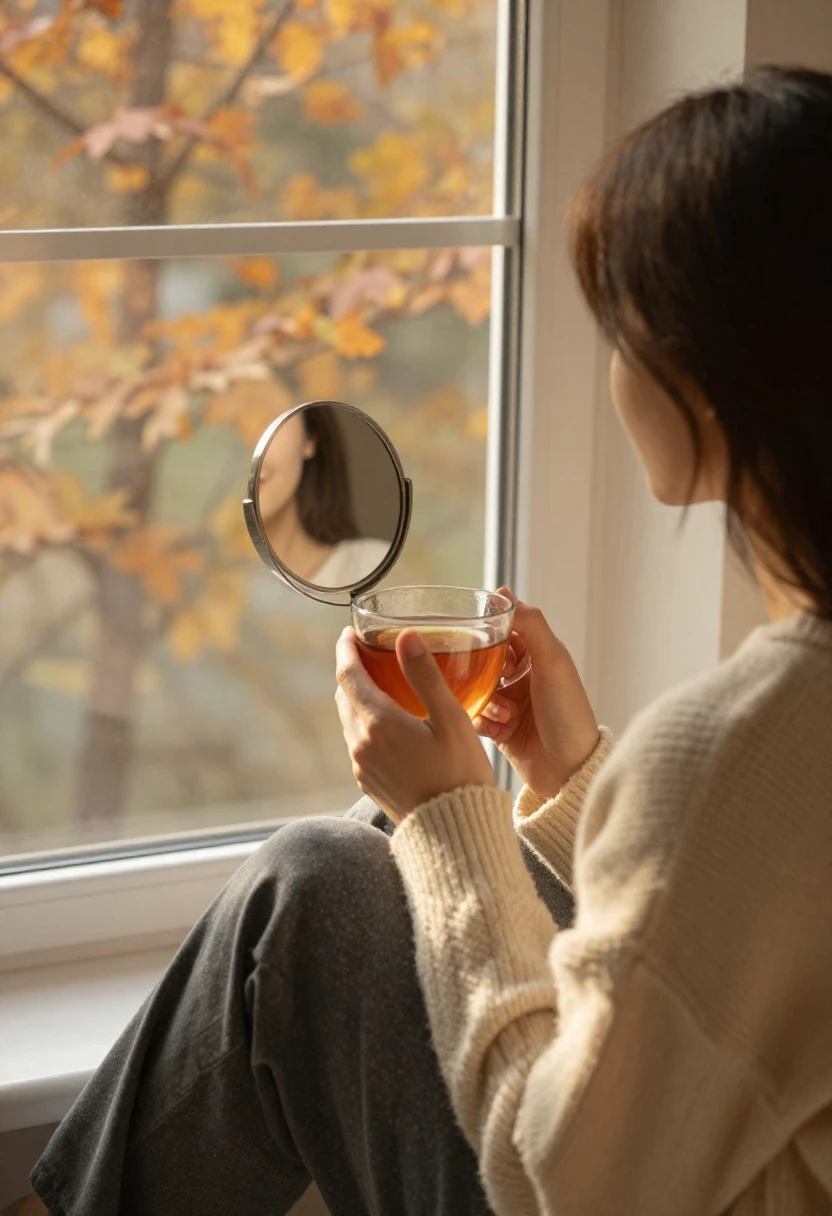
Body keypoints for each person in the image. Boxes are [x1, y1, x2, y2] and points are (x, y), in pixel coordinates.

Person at [13, 64, 832, 1215]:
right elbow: (744, 950)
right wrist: (571, 785)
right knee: (355, 858)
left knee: (314, 888)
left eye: (622, 329)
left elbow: (556, 1180)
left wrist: (455, 819)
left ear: (704, 377)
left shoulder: (736, 739)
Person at [258, 403, 389, 588]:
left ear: (309, 438)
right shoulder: (204, 592)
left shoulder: (375, 568)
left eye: (266, 420)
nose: (246, 453)